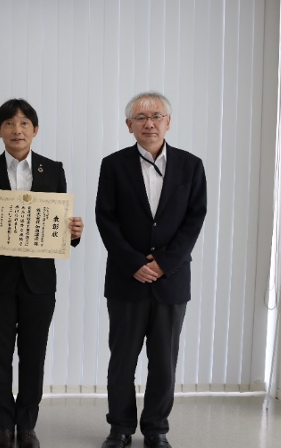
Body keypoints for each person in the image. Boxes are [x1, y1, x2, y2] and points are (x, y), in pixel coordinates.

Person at [0, 99, 84, 448]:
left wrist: (73, 233)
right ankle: (3, 426)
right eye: (9, 124)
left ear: (35, 129)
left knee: (34, 355)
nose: (17, 130)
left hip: (39, 281)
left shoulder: (53, 170)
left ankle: (27, 425)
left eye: (24, 123)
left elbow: (60, 225)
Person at [95, 92, 207, 448]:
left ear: (168, 122)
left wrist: (164, 263)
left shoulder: (191, 166)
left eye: (156, 116)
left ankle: (156, 429)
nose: (149, 123)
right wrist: (134, 264)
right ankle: (120, 428)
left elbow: (194, 219)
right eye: (141, 118)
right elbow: (105, 219)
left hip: (171, 281)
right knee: (122, 361)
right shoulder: (113, 165)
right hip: (126, 280)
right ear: (129, 125)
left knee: (164, 362)